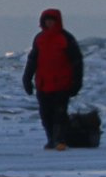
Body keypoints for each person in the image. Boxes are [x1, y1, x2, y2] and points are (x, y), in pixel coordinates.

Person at [21, 8, 84, 149]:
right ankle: (51, 139)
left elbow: (77, 61)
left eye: (52, 20)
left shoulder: (66, 38)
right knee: (46, 114)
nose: (49, 23)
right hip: (43, 84)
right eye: (46, 20)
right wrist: (27, 79)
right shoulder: (39, 39)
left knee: (59, 114)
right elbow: (32, 60)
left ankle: (60, 140)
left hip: (62, 83)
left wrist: (77, 83)